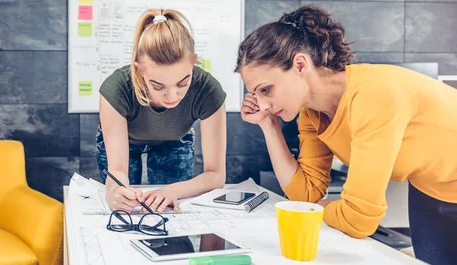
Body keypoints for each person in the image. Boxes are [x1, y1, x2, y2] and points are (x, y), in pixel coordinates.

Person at [235, 5, 457, 264]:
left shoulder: (374, 95)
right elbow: (305, 195)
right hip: (430, 192)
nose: (261, 104)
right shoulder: (312, 114)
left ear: (299, 64)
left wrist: (317, 209)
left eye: (266, 90)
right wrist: (268, 125)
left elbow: (359, 219)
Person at [97, 9, 227, 214]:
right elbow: (117, 170)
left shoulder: (208, 89)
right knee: (123, 203)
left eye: (183, 83)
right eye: (158, 86)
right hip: (127, 141)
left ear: (194, 61)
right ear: (138, 70)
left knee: (167, 208)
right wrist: (115, 191)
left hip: (176, 138)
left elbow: (216, 175)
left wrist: (173, 190)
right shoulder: (116, 88)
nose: (172, 96)